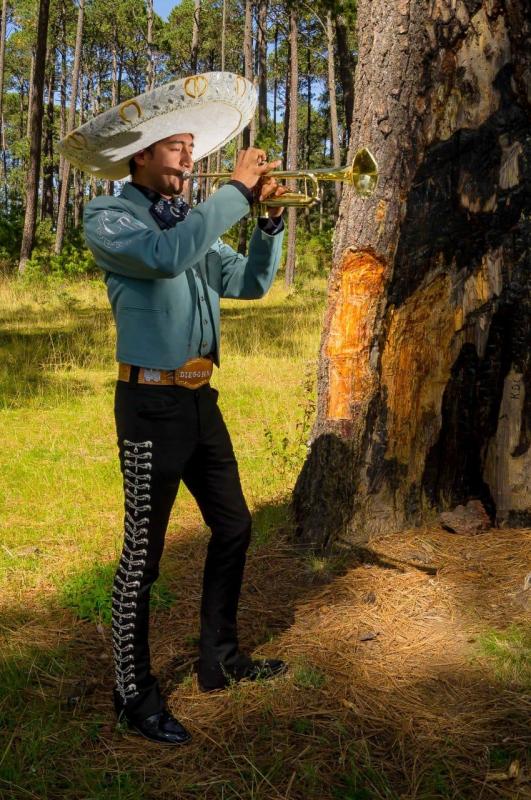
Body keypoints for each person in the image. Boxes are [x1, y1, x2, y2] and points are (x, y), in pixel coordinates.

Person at [60, 72, 288, 746]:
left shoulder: (191, 221)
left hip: (199, 400)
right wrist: (235, 194)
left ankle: (220, 659)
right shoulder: (110, 217)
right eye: (175, 147)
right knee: (142, 558)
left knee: (235, 528)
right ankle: (133, 695)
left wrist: (267, 222)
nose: (189, 157)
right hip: (148, 408)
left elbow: (244, 284)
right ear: (140, 154)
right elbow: (163, 262)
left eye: (192, 147)